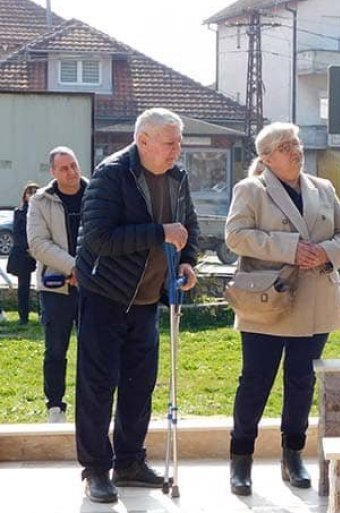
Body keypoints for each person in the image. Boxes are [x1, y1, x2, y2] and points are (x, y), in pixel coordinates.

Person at [74, 108, 199, 504]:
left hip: (147, 299)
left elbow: (188, 228)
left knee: (138, 386)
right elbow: (98, 238)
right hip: (105, 297)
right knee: (98, 386)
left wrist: (187, 261)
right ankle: (95, 470)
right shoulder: (112, 175)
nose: (176, 150)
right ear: (143, 140)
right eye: (169, 143)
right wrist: (158, 233)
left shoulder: (178, 179)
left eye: (179, 142)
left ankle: (129, 461)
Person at [225, 122, 340, 496]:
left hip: (315, 299)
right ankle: (241, 460)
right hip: (270, 300)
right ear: (266, 158)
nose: (295, 150)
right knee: (255, 382)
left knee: (301, 382)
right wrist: (290, 247)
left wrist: (325, 253)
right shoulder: (251, 189)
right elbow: (235, 236)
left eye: (296, 143)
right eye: (284, 146)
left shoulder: (324, 187)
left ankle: (292, 455)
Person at [27, 148, 86, 424]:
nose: (71, 172)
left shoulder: (96, 193)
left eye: (73, 165)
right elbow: (38, 244)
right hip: (57, 287)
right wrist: (73, 267)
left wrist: (86, 270)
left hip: (94, 286)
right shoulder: (40, 201)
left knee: (94, 349)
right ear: (53, 172)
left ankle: (91, 403)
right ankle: (55, 406)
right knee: (55, 349)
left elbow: (106, 235)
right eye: (64, 168)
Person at [7, 182, 39, 325]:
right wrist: (29, 248)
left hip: (41, 252)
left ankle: (42, 314)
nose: (32, 195)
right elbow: (18, 234)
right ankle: (23, 317)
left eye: (35, 192)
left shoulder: (43, 212)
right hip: (24, 253)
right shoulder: (19, 212)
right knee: (23, 286)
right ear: (24, 196)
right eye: (29, 192)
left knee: (42, 285)